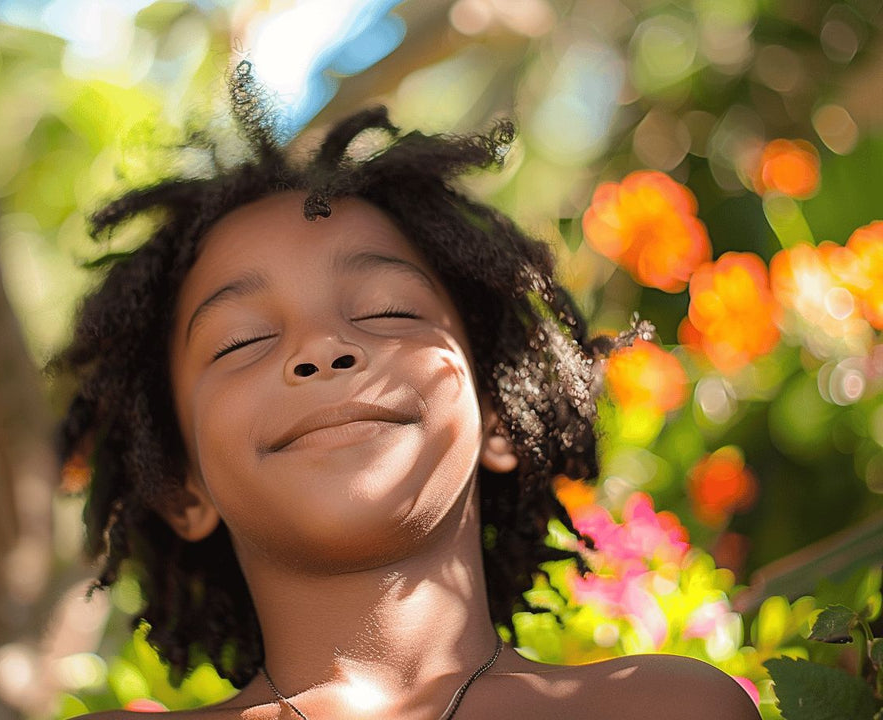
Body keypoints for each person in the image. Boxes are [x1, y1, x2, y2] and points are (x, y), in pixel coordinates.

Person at [58, 63, 761, 719]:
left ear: (499, 414)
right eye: (241, 341)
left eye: (388, 311)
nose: (321, 348)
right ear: (183, 486)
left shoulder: (667, 707)